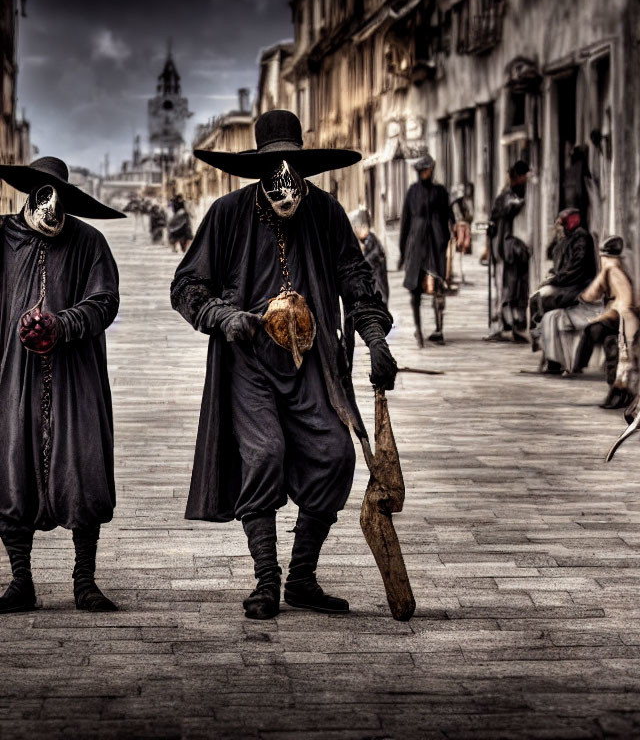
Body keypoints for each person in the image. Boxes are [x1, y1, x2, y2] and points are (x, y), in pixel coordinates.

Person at [170, 110, 397, 621]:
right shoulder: (227, 214)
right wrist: (222, 315)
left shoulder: (327, 213)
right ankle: (267, 579)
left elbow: (357, 283)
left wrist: (377, 338)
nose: (285, 189)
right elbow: (186, 287)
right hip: (249, 363)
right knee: (265, 454)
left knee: (336, 454)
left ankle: (301, 578)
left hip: (313, 363)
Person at [0, 156, 124, 614]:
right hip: (14, 375)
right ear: (27, 195)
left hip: (76, 376)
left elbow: (105, 301)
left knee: (82, 467)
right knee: (11, 468)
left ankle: (85, 580)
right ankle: (20, 580)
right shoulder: (3, 237)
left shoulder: (89, 241)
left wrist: (62, 323)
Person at [572, 235, 640, 408]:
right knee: (611, 346)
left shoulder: (612, 270)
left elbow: (624, 302)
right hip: (620, 317)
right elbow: (593, 292)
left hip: (622, 318)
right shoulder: (613, 269)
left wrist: (602, 316)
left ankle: (578, 365)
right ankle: (614, 390)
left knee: (594, 331)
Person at [399, 154, 453, 347]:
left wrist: (446, 238)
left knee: (438, 287)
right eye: (423, 170)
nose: (426, 173)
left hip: (436, 245)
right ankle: (419, 330)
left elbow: (449, 216)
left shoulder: (440, 192)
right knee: (415, 290)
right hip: (417, 245)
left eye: (428, 170)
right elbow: (405, 221)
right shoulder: (413, 192)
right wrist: (402, 251)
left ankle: (439, 329)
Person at [529, 208, 596, 347]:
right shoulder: (565, 239)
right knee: (536, 297)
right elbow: (561, 265)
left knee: (543, 298)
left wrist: (554, 280)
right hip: (566, 282)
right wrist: (552, 275)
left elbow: (576, 269)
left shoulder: (581, 239)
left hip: (577, 285)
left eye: (560, 225)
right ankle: (540, 335)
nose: (557, 228)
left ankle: (543, 336)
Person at [485, 161, 530, 343]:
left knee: (517, 287)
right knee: (506, 287)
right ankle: (506, 324)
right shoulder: (506, 196)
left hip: (517, 249)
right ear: (518, 176)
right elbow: (505, 213)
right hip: (506, 248)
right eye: (524, 175)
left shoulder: (518, 193)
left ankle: (516, 322)